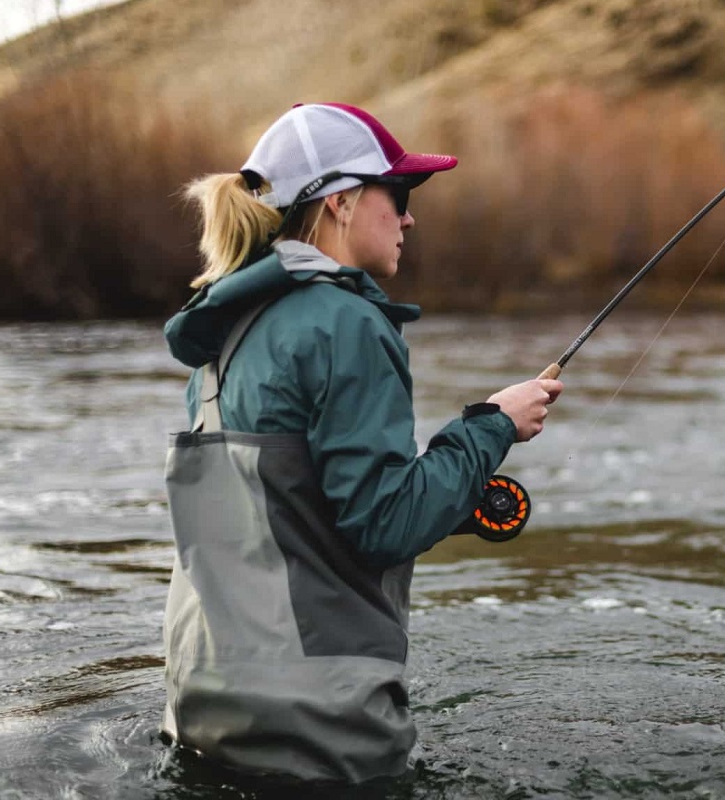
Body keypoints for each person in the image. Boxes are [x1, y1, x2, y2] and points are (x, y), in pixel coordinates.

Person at [161, 102, 563, 784]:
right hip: (320, 735)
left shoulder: (222, 335)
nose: (408, 217)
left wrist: (456, 497)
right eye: (398, 195)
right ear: (342, 202)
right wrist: (492, 426)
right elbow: (381, 523)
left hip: (202, 716)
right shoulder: (344, 322)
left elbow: (289, 512)